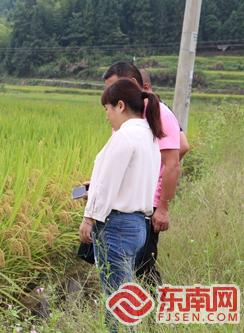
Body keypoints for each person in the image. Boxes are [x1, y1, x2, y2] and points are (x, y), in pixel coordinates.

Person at [79, 78, 162, 331]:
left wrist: (88, 218)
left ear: (121, 105)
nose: (107, 116)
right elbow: (127, 181)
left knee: (117, 301)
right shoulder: (149, 136)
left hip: (116, 227)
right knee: (123, 295)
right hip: (138, 226)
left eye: (108, 109)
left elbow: (106, 185)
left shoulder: (124, 136)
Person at [102, 62, 182, 288]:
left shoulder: (157, 113)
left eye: (114, 87)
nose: (110, 94)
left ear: (134, 85)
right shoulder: (125, 116)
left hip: (147, 205)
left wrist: (163, 207)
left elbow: (173, 161)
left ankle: (154, 316)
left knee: (143, 266)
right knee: (124, 264)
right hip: (127, 204)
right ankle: (133, 313)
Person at [140, 69, 190, 159]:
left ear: (146, 87)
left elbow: (183, 146)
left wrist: (161, 169)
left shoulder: (160, 109)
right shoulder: (160, 106)